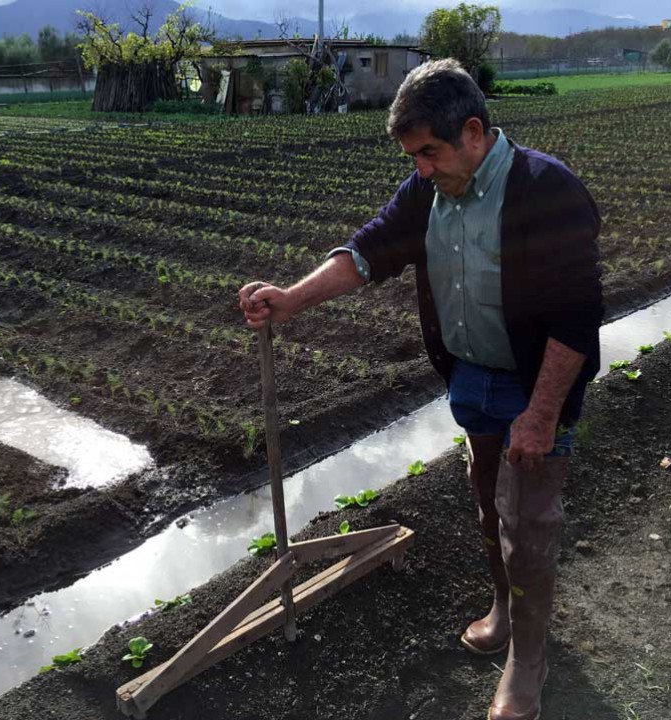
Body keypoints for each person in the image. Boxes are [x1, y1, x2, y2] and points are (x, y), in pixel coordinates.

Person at [238, 58, 603, 720]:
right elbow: (368, 251)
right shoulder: (427, 193)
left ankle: (528, 661)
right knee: (491, 512)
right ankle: (503, 608)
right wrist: (290, 299)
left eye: (429, 152)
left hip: (534, 390)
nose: (422, 168)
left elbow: (578, 318)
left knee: (529, 526)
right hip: (471, 383)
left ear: (472, 132)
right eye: (414, 157)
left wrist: (543, 412)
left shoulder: (547, 191)